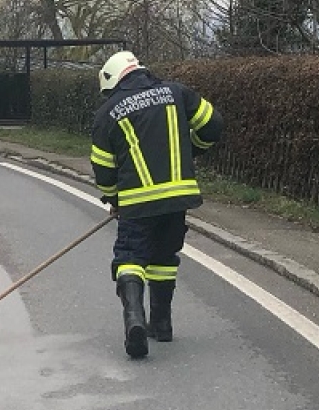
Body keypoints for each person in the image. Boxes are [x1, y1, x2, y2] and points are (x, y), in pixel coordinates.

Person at [89, 50, 222, 359]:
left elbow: (104, 169)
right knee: (164, 258)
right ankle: (161, 324)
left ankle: (134, 320)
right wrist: (192, 150)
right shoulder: (177, 93)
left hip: (137, 202)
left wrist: (114, 199)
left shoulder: (107, 113)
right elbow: (213, 126)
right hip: (178, 196)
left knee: (129, 257)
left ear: (112, 80)